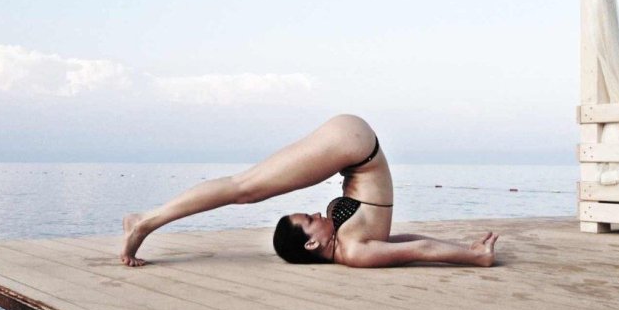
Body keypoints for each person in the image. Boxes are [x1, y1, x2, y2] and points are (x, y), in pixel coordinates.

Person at [121, 114, 499, 267]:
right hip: (353, 147)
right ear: (311, 244)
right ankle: (146, 221)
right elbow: (415, 245)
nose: (317, 215)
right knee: (244, 188)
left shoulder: (350, 245)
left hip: (353, 148)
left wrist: (470, 252)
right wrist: (473, 255)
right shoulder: (353, 250)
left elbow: (411, 245)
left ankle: (149, 220)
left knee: (246, 187)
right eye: (309, 219)